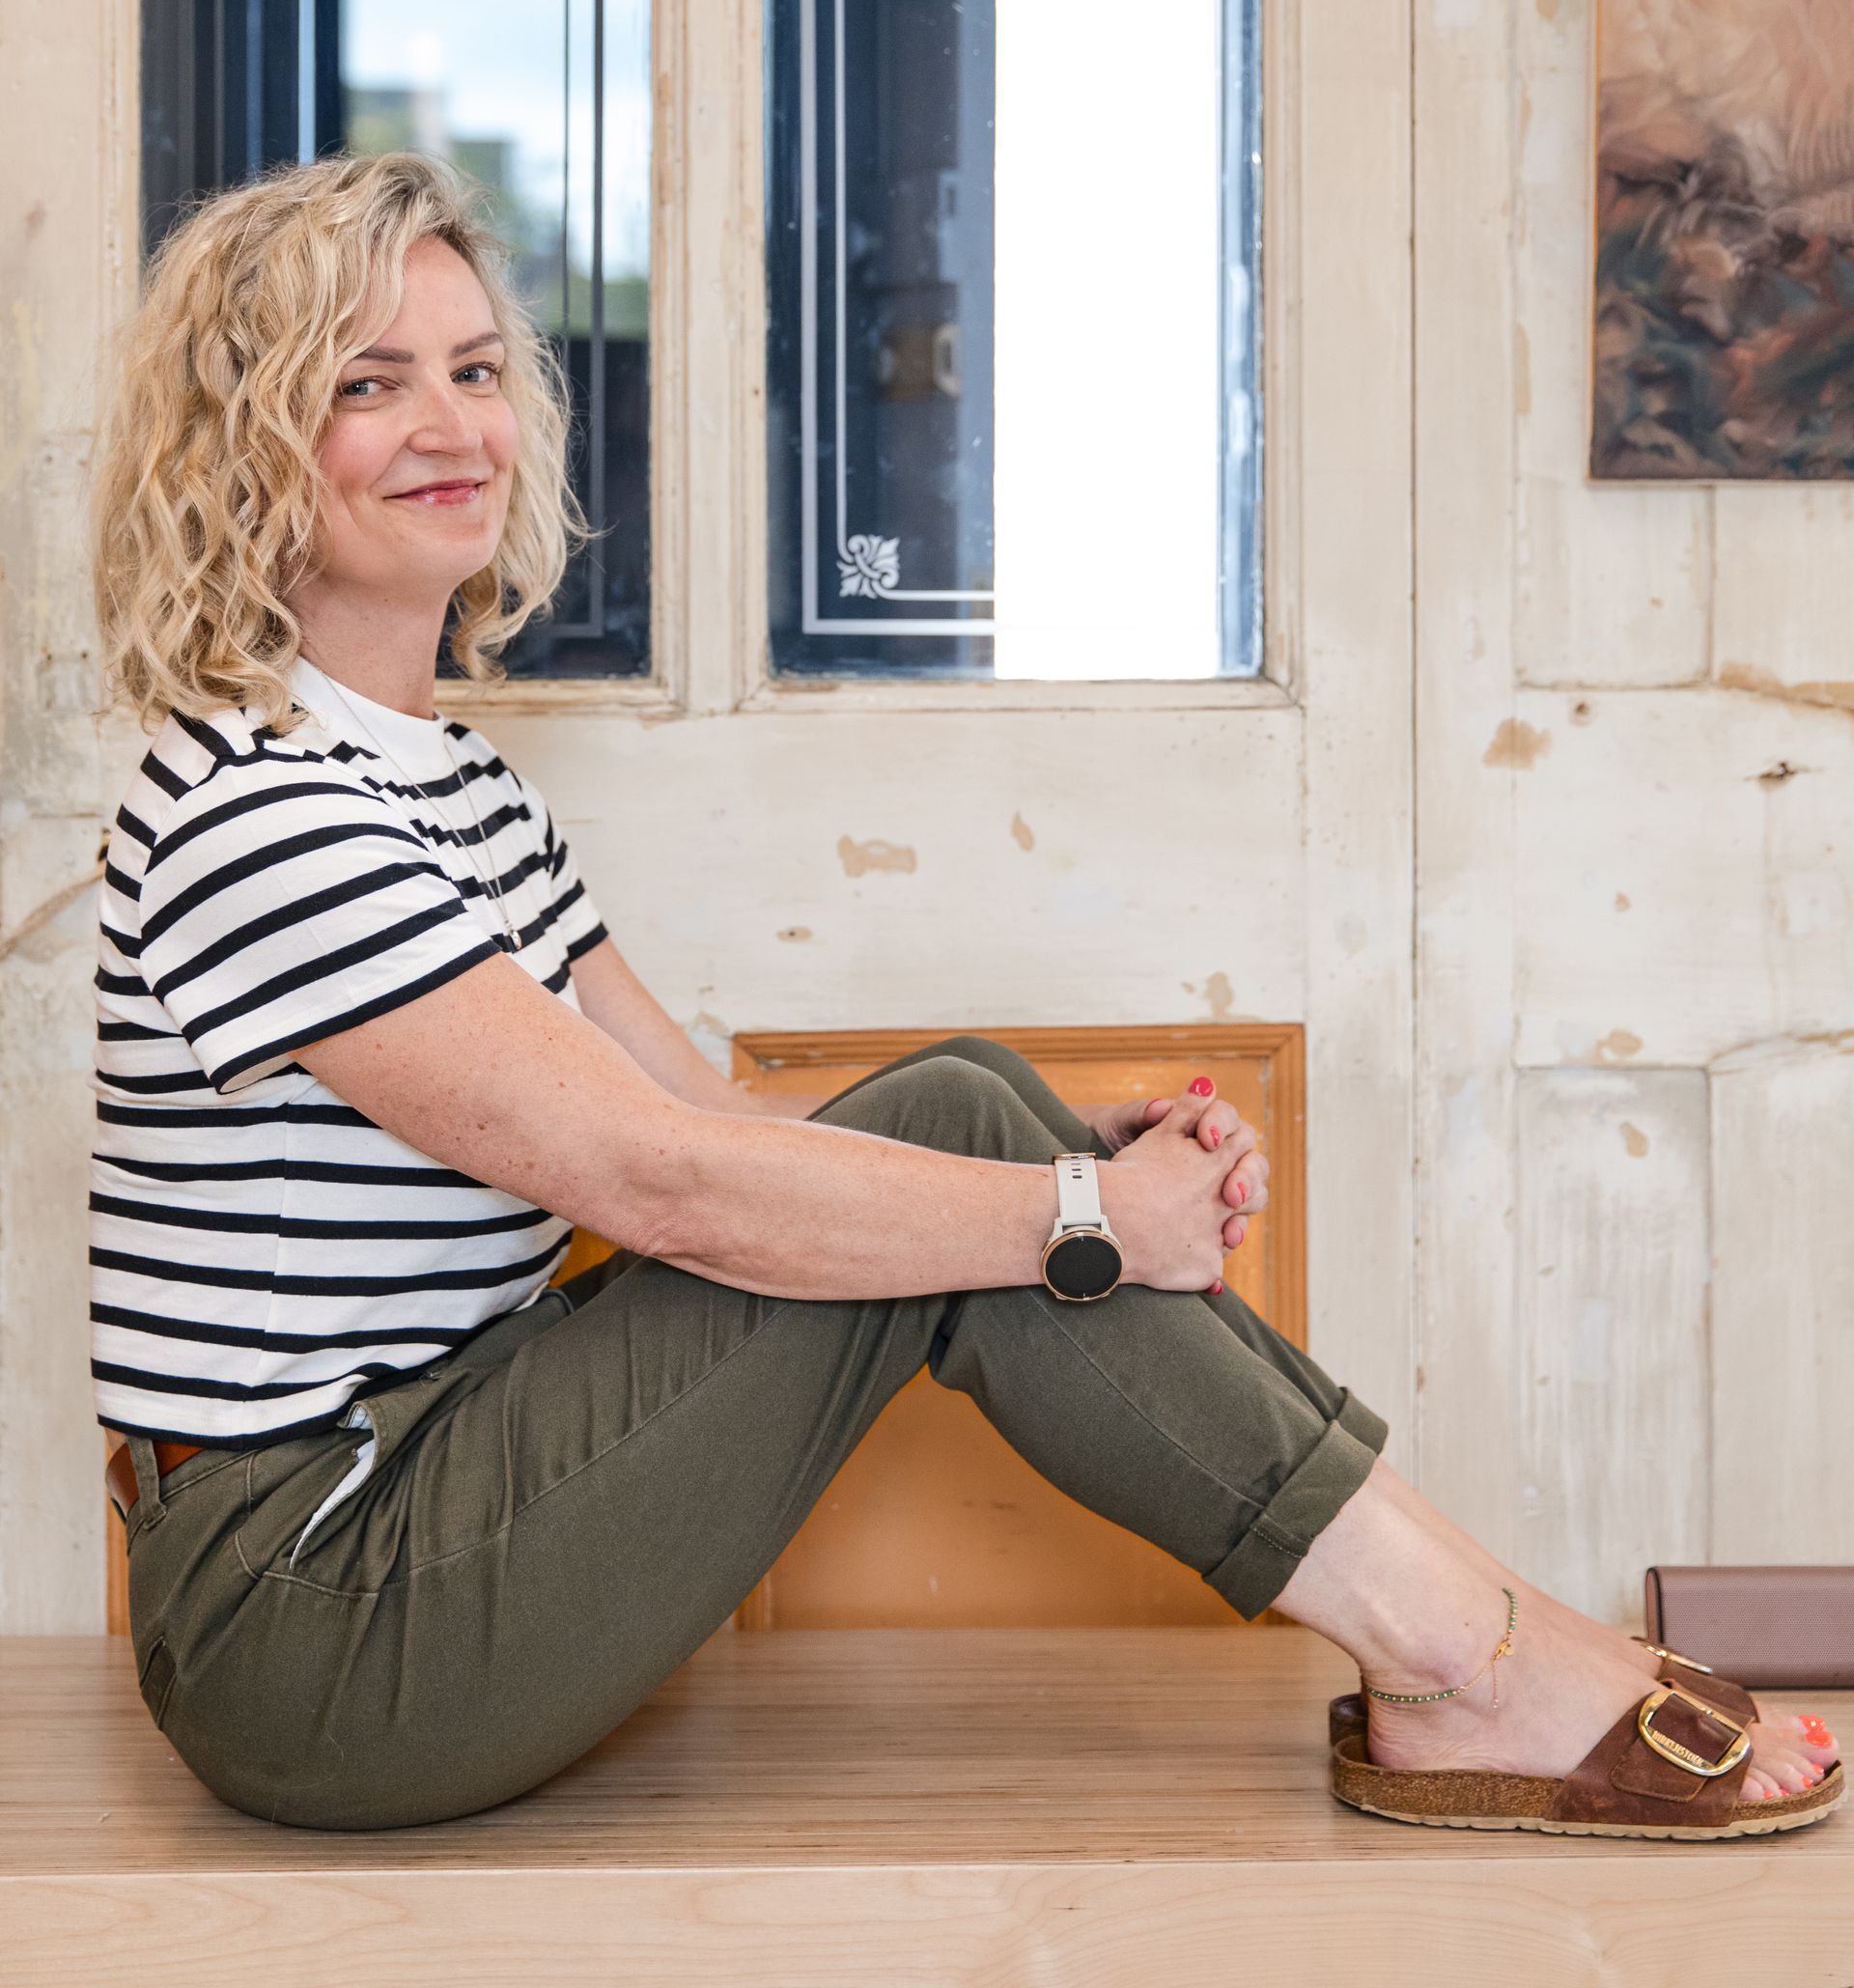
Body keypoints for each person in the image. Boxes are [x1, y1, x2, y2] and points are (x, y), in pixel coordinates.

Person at [87, 153, 1841, 1838]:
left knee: (966, 1087)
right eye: (369, 384)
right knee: (964, 1146)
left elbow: (703, 1117)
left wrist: (1062, 1155)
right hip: (311, 1617)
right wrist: (1082, 1219)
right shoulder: (261, 812)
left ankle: (1469, 1635)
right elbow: (659, 1187)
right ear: (245, 444)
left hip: (436, 1480)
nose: (454, 425)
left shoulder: (449, 787)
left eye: (474, 369)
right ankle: (1471, 1655)